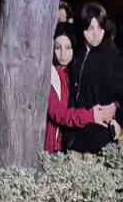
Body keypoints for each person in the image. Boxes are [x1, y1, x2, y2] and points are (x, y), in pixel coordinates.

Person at [71, 3, 123, 152]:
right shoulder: (77, 54)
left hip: (101, 131)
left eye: (100, 28)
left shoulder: (111, 54)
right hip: (77, 126)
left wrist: (117, 116)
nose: (96, 33)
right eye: (91, 28)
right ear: (83, 29)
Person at [48, 24, 117, 153]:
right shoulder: (50, 75)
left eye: (68, 48)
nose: (63, 54)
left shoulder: (74, 73)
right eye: (57, 48)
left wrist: (110, 117)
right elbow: (58, 113)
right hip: (55, 147)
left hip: (74, 142)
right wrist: (92, 115)